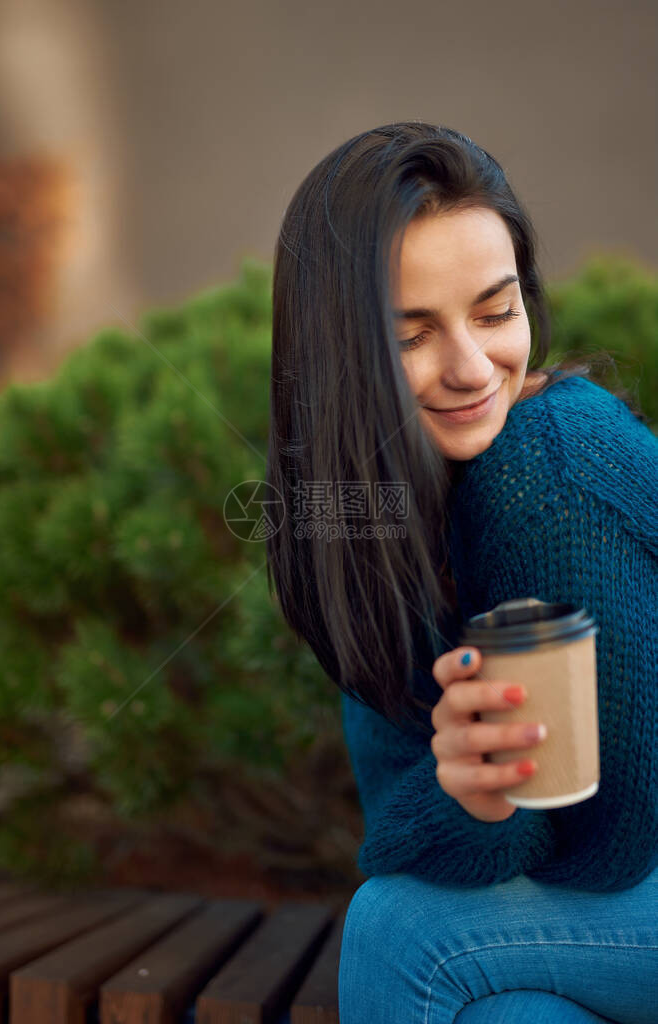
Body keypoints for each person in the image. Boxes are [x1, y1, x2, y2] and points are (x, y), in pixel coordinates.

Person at [265, 122, 657, 1023]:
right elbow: (404, 822)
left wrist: (485, 814)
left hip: (637, 863)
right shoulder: (363, 522)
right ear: (339, 359)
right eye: (412, 337)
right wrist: (472, 804)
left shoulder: (547, 472)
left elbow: (614, 845)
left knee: (402, 937)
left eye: (494, 309)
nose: (472, 368)